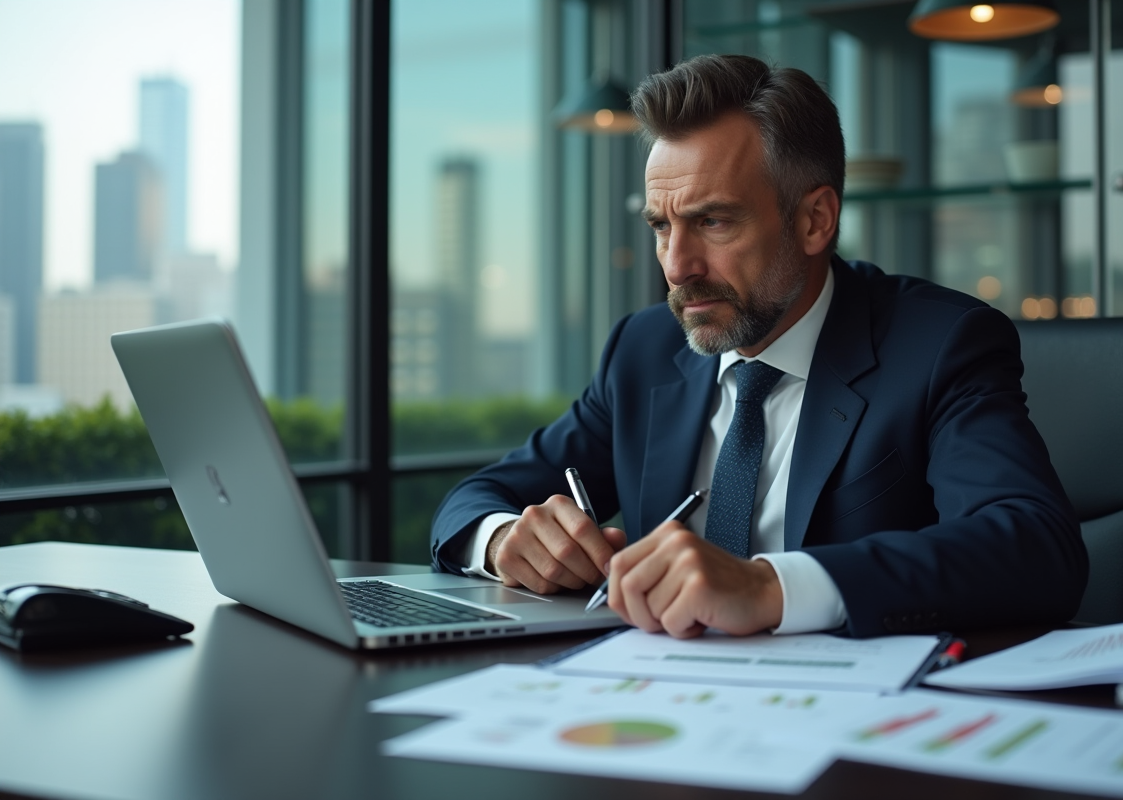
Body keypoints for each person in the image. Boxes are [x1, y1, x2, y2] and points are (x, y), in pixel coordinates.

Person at [430, 54, 1088, 639]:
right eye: (662, 227)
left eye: (712, 221)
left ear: (814, 220)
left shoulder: (941, 344)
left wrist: (770, 587)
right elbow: (475, 499)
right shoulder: (643, 349)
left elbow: (1036, 547)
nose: (677, 266)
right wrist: (504, 541)